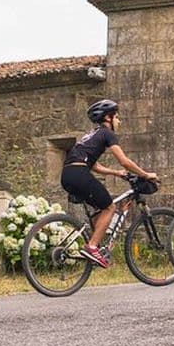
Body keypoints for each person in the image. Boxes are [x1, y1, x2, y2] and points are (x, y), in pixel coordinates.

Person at [61, 99, 158, 268]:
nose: (119, 121)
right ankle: (92, 247)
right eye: (117, 117)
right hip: (80, 174)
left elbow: (94, 165)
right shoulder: (107, 133)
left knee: (101, 207)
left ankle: (94, 242)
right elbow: (124, 161)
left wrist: (115, 173)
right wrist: (146, 174)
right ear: (108, 118)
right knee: (110, 207)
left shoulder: (89, 135)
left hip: (68, 174)